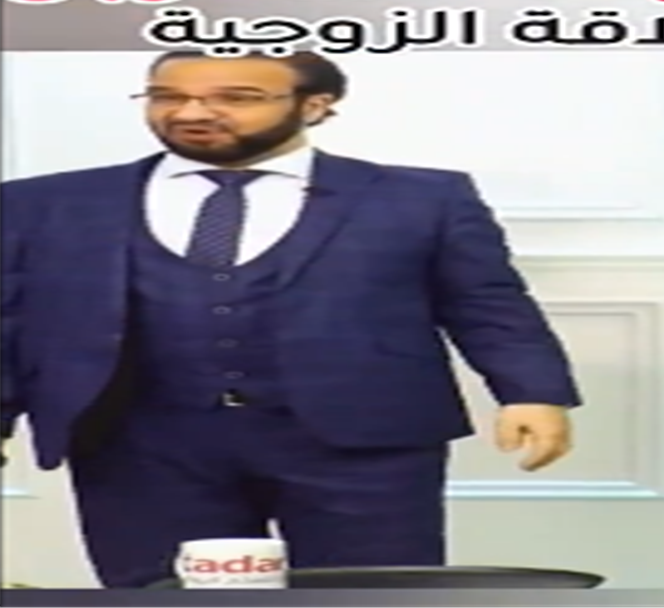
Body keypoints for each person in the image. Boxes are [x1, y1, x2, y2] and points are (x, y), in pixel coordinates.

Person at [0, 51, 582, 588]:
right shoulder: (45, 203)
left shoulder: (422, 197)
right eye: (166, 96)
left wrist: (532, 392)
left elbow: (486, 301)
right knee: (158, 593)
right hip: (140, 448)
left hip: (363, 442)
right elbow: (9, 318)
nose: (191, 112)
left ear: (315, 106)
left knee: (371, 592)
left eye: (236, 97)